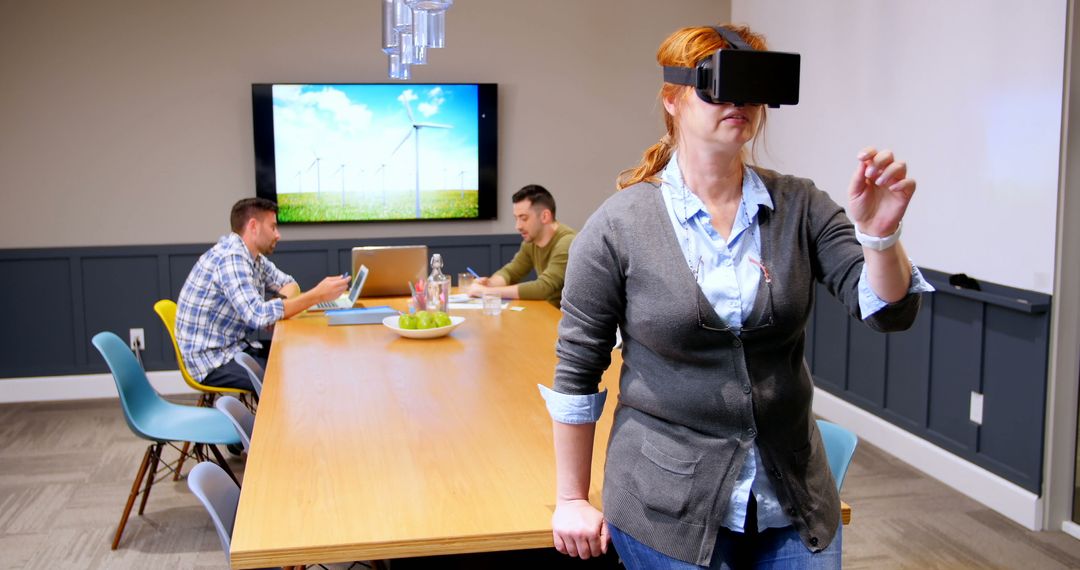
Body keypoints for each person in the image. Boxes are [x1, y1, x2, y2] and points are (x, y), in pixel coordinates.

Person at [542, 24, 934, 568]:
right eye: (719, 85)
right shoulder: (619, 225)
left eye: (753, 88)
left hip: (791, 498)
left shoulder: (801, 205)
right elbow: (577, 369)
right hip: (665, 501)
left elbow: (888, 311)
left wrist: (880, 238)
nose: (739, 103)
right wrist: (570, 499)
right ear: (672, 99)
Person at [176, 198, 350, 392]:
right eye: (273, 227)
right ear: (253, 226)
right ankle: (277, 421)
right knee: (290, 377)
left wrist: (278, 304)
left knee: (300, 357)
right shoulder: (231, 258)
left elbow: (290, 284)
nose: (278, 235)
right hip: (212, 361)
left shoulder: (254, 258)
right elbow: (257, 316)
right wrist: (317, 295)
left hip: (234, 347)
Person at [466, 185, 576, 307]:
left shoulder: (567, 242)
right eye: (516, 219)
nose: (518, 226)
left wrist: (487, 292)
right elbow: (511, 272)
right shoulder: (531, 241)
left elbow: (544, 288)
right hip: (546, 312)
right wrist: (489, 283)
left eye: (523, 218)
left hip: (565, 320)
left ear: (545, 216)